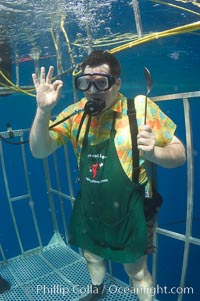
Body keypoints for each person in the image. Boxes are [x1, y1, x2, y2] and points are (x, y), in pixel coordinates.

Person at [29, 50, 186, 301]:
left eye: (100, 82)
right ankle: (96, 291)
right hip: (92, 203)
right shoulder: (76, 113)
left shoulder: (140, 108)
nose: (92, 90)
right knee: (91, 255)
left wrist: (155, 152)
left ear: (117, 83)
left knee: (135, 270)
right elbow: (39, 150)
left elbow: (180, 154)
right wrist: (43, 111)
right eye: (84, 83)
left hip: (133, 206)